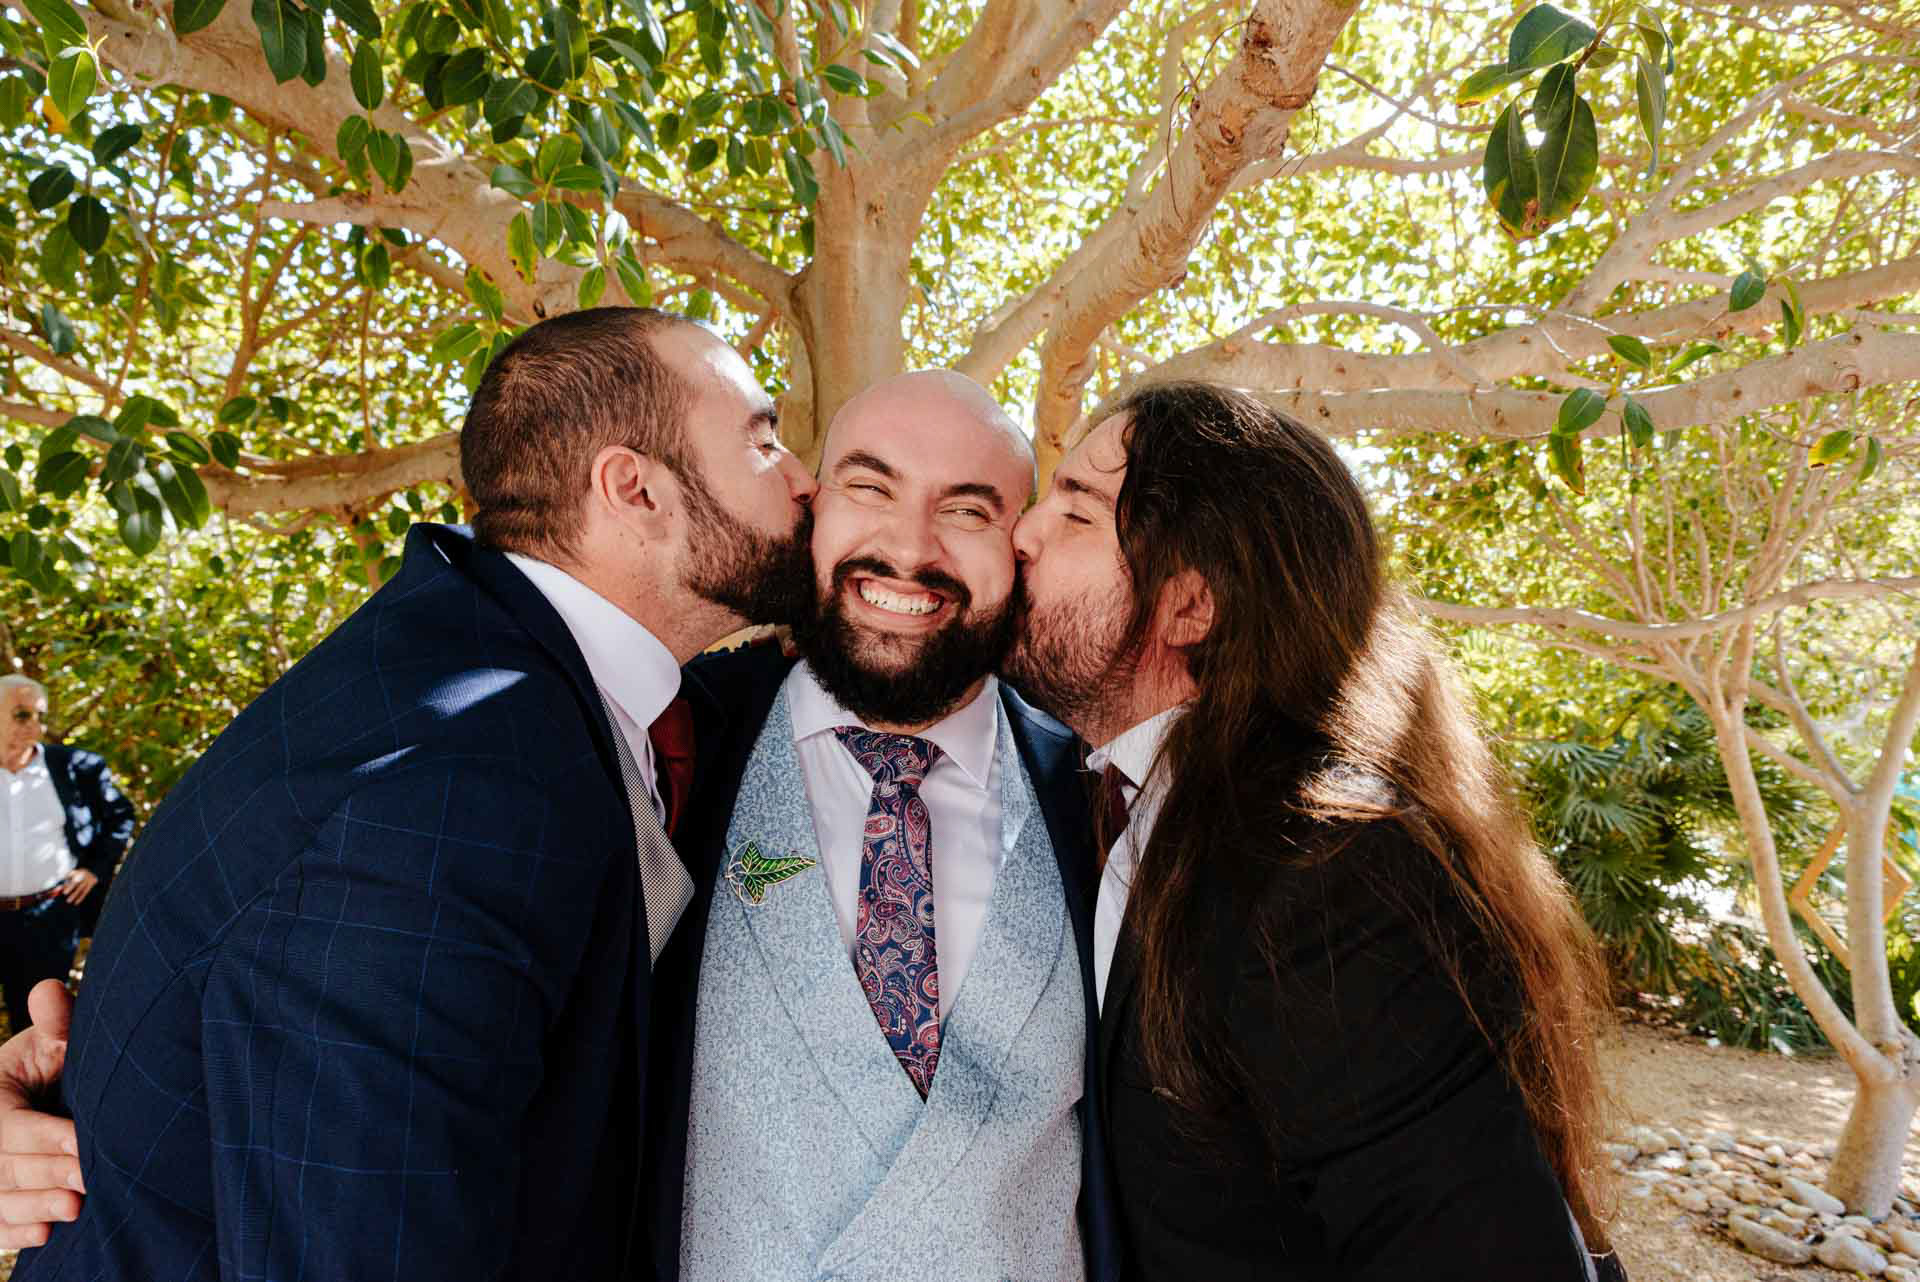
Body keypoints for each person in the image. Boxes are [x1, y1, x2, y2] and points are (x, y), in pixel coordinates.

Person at [2, 307, 819, 1279]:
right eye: (765, 443)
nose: (805, 478)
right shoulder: (456, 780)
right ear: (633, 488)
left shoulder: (515, 675)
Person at [1003, 380, 1621, 1281]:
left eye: (1078, 512)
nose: (1023, 530)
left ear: (1191, 606)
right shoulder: (1140, 805)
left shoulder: (1323, 870)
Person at [650, 370, 1118, 1280]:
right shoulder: (674, 751)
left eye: (970, 512)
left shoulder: (1101, 799)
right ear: (813, 509)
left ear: (1021, 547)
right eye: (870, 488)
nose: (909, 549)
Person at [0, 677, 133, 1030]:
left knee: (38, 1026)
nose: (35, 727)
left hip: (48, 917)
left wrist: (94, 869)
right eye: (22, 715)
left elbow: (120, 816)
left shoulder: (76, 768)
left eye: (40, 717)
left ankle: (39, 1088)